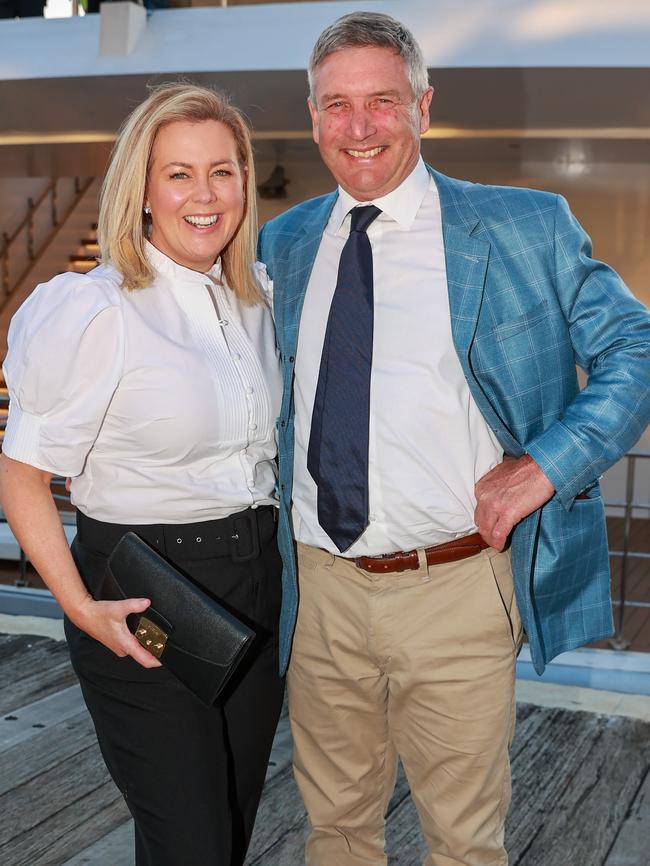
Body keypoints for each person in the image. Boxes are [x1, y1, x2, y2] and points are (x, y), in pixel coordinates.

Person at [258, 11, 650, 866]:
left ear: (424, 107)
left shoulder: (522, 225)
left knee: (464, 842)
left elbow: (636, 346)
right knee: (335, 832)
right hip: (319, 593)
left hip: (457, 590)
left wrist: (546, 466)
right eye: (336, 105)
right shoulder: (282, 243)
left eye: (382, 102)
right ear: (313, 116)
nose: (359, 128)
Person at [0, 83, 284, 866]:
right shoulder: (94, 310)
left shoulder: (258, 299)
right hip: (147, 592)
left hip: (257, 578)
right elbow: (22, 473)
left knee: (226, 828)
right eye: (179, 174)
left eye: (222, 172)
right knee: (188, 843)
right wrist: (81, 606)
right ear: (143, 190)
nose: (205, 195)